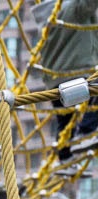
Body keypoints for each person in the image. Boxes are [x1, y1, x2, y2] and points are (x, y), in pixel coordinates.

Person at [34, 0, 98, 160]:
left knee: (65, 122)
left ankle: (64, 159)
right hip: (78, 74)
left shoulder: (47, 18)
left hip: (55, 81)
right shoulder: (73, 8)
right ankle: (87, 131)